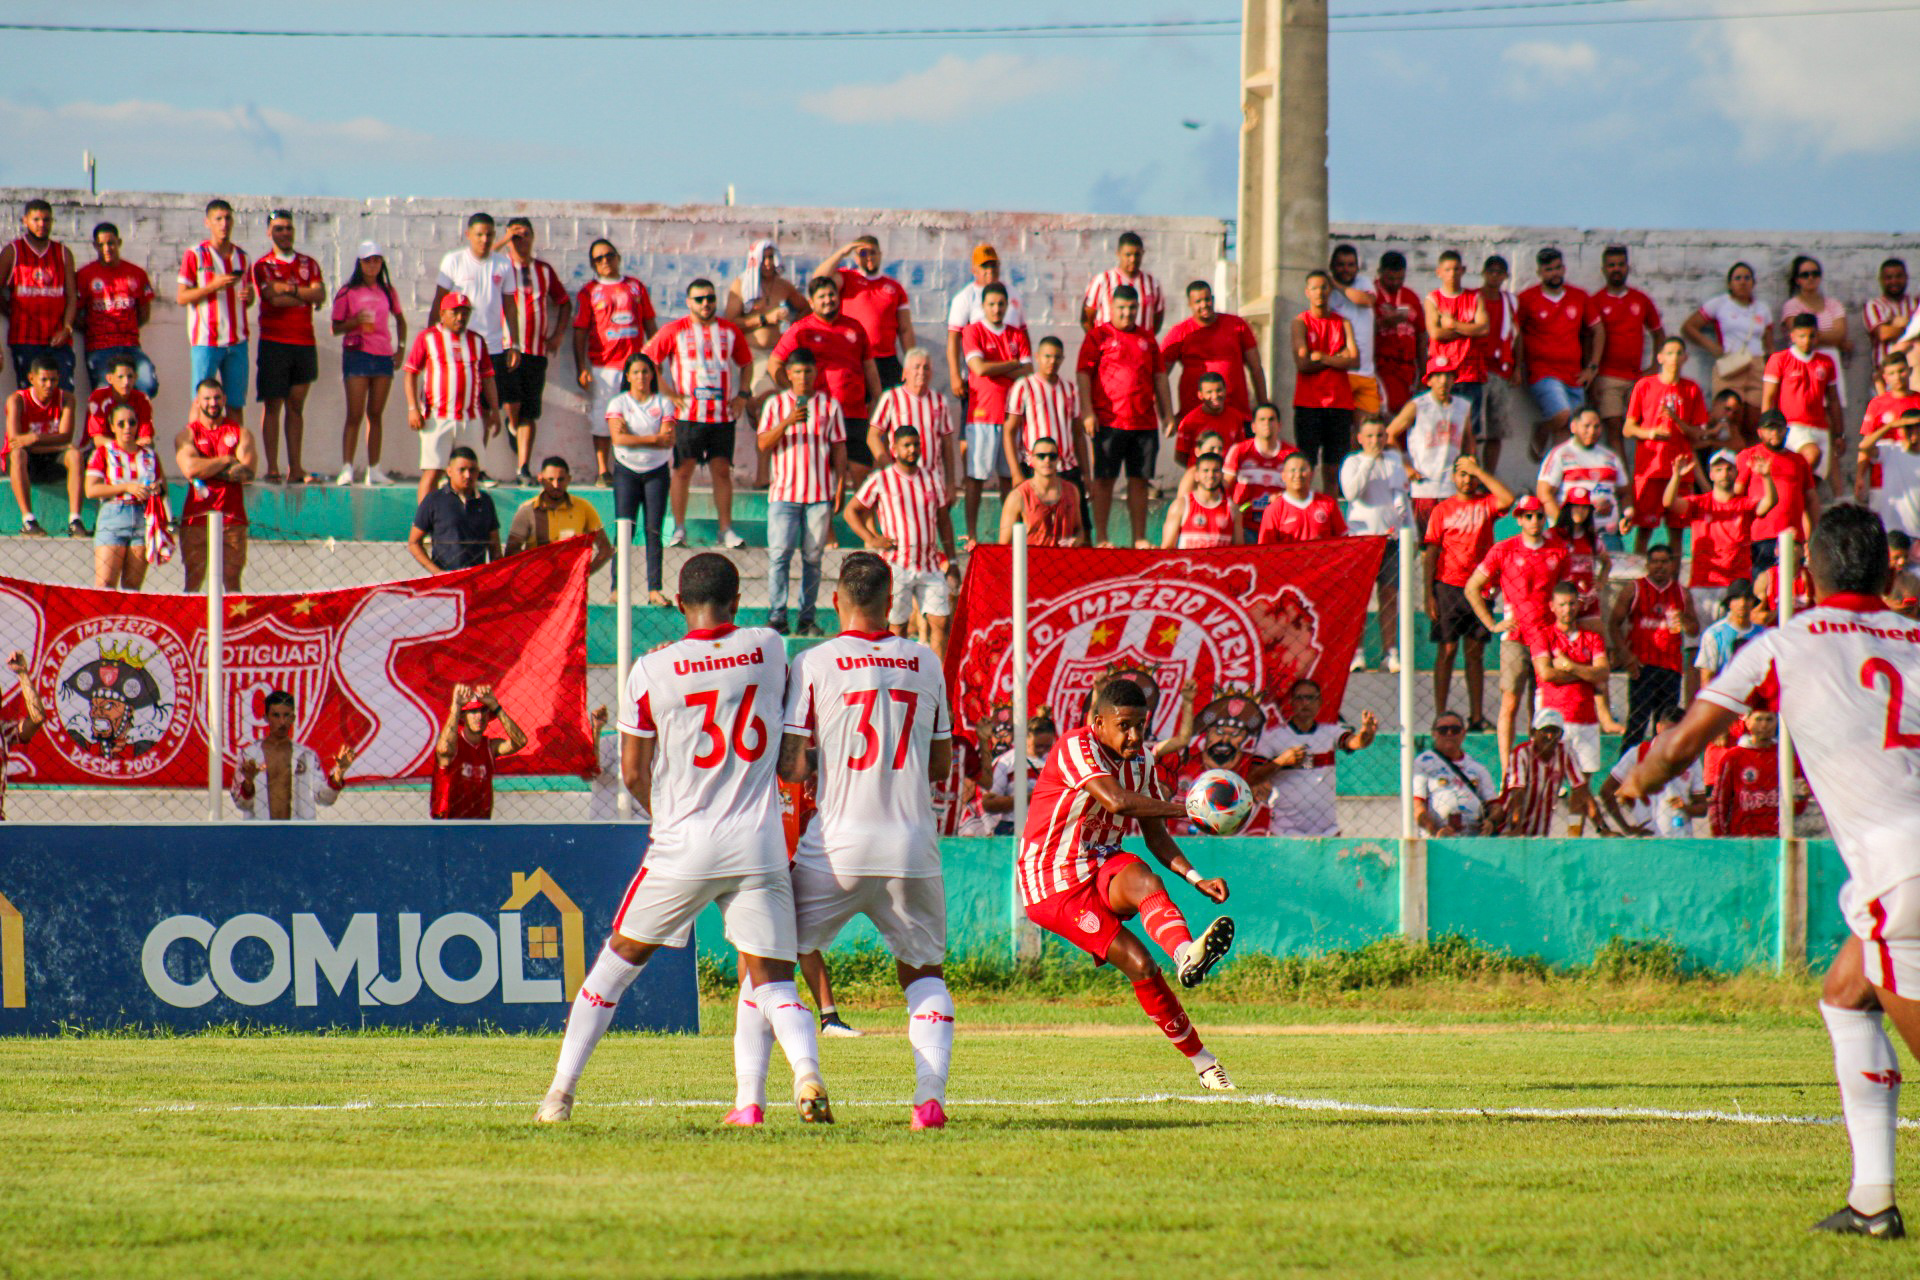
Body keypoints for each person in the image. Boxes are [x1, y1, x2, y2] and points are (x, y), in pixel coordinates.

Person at [1621, 505, 1920, 1237]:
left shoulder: (1783, 644)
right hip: (1903, 867)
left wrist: (1632, 783)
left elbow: (1684, 745)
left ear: (1808, 570)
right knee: (1847, 993)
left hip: (1902, 870)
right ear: (1889, 568)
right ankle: (1873, 1202)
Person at [538, 554, 831, 1126]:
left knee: (615, 967)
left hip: (685, 840)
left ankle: (559, 1094)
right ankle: (806, 1072)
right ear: (737, 601)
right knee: (772, 978)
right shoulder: (769, 646)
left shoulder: (652, 669)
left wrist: (665, 816)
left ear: (677, 605)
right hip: (757, 840)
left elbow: (631, 770)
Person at [774, 552, 953, 1124]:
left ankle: (802, 1077)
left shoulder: (814, 661)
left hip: (837, 845)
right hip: (912, 845)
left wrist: (832, 751)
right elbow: (943, 764)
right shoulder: (926, 660)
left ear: (835, 601)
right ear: (891, 598)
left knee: (772, 962)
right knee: (924, 975)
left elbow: (793, 767)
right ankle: (929, 1098)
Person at [1018, 676, 1237, 1090]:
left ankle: (1186, 954)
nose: (1135, 735)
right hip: (1052, 882)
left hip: (1101, 865)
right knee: (1139, 964)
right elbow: (1116, 801)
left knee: (1141, 875)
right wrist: (1190, 808)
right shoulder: (1074, 747)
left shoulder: (1143, 763)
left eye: (1141, 725)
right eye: (1125, 725)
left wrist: (1195, 878)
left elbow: (1155, 835)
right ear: (1098, 722)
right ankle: (1202, 1058)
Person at [1466, 494, 1570, 779]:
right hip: (1515, 635)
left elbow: (1567, 594)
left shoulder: (1558, 551)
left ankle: (1541, 767)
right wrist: (1491, 623)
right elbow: (1472, 586)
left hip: (1547, 636)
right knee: (1510, 701)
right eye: (1528, 515)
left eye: (1539, 515)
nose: (1534, 520)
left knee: (1542, 707)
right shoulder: (1504, 549)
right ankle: (1508, 771)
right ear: (1519, 519)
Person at [647, 278, 751, 550]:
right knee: (682, 471)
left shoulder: (730, 331)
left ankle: (725, 529)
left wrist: (742, 395)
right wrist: (668, 393)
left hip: (721, 416)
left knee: (722, 471)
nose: (706, 303)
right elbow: (649, 360)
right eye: (700, 299)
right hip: (688, 416)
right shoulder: (675, 330)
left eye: (710, 298)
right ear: (689, 302)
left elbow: (746, 363)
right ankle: (678, 528)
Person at [844, 424, 958, 657]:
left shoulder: (932, 478)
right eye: (906, 445)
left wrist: (953, 560)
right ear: (894, 448)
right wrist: (872, 538)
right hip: (897, 565)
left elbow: (944, 521)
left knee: (942, 624)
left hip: (930, 564)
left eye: (916, 444)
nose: (912, 449)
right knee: (898, 628)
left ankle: (936, 681)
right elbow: (851, 511)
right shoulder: (882, 479)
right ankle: (900, 681)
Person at [1665, 450, 1776, 681]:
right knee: (1697, 650)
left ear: (1736, 472)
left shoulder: (1743, 504)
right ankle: (1695, 706)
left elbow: (1768, 503)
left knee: (1735, 645)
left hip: (1735, 588)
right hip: (1702, 584)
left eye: (1728, 468)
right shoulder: (1699, 503)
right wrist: (1676, 476)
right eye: (1718, 469)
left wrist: (1766, 477)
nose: (1724, 473)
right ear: (1710, 474)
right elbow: (1669, 503)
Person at [759, 349, 846, 636]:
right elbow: (763, 444)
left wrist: (841, 484)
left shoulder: (830, 406)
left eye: (808, 371)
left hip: (818, 495)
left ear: (815, 373)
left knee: (813, 559)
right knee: (779, 557)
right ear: (789, 374)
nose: (803, 377)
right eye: (797, 372)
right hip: (784, 495)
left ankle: (807, 618)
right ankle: (777, 616)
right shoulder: (775, 404)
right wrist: (787, 422)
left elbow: (838, 447)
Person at [1425, 455, 1514, 729]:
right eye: (1462, 474)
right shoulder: (1442, 509)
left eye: (1471, 474)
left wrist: (1480, 470)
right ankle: (1441, 714)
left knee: (1474, 653)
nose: (1467, 479)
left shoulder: (1485, 504)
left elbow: (1508, 499)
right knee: (1448, 650)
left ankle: (1476, 716)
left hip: (1480, 586)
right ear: (1453, 477)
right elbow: (1431, 551)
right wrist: (1428, 592)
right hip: (1448, 585)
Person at [769, 275, 882, 491]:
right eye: (822, 297)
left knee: (862, 473)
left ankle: (861, 523)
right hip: (820, 414)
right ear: (811, 302)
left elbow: (869, 366)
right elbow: (774, 363)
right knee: (822, 477)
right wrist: (793, 393)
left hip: (854, 413)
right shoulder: (801, 330)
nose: (828, 300)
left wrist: (878, 399)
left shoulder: (854, 327)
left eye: (831, 295)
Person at [1078, 285, 1170, 547]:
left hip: (1144, 421)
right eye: (1122, 308)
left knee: (1140, 480)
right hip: (1108, 420)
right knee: (1105, 479)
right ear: (1111, 307)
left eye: (1132, 308)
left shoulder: (1147, 339)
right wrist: (1087, 412)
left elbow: (1160, 377)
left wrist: (1167, 414)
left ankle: (1139, 538)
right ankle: (1103, 537)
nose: (1127, 313)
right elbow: (1083, 374)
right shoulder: (1098, 336)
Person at [431, 214, 520, 477]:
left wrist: (514, 343)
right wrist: (432, 338)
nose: (485, 239)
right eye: (480, 234)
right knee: (455, 407)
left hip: (491, 348)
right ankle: (449, 469)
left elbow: (510, 307)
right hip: (457, 347)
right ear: (468, 234)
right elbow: (439, 301)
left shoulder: (504, 265)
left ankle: (475, 468)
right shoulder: (453, 260)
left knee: (484, 411)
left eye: (490, 234)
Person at [490, 218, 570, 485]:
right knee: (512, 401)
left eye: (525, 235)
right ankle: (512, 425)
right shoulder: (499, 266)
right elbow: (479, 261)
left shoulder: (544, 271)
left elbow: (564, 302)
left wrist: (557, 334)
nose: (521, 240)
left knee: (530, 411)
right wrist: (504, 241)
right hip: (507, 348)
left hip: (536, 351)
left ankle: (522, 466)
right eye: (516, 236)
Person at [572, 239, 655, 488]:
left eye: (609, 255)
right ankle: (602, 470)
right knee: (603, 416)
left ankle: (634, 468)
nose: (605, 261)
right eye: (599, 258)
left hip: (635, 365)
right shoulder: (589, 291)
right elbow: (580, 331)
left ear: (617, 257)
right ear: (593, 264)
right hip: (604, 365)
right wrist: (581, 368)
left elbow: (649, 321)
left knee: (638, 416)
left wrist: (655, 357)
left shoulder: (635, 287)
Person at [404, 292, 501, 504]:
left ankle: (465, 524)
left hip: (470, 418)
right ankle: (424, 527)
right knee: (433, 472)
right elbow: (411, 372)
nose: (460, 317)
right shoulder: (428, 337)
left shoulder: (477, 341)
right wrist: (413, 409)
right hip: (436, 417)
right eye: (455, 312)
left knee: (469, 474)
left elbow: (488, 378)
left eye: (465, 312)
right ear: (442, 314)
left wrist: (494, 410)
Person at [250, 209, 324, 483]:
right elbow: (272, 299)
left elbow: (320, 294)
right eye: (279, 228)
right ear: (269, 232)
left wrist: (289, 290)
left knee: (296, 406)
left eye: (288, 228)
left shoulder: (309, 263)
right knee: (273, 405)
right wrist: (303, 296)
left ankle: (296, 468)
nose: (285, 233)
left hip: (304, 342)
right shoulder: (263, 266)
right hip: (274, 342)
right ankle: (272, 468)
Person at [602, 353, 676, 605]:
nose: (641, 377)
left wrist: (635, 438)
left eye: (646, 371)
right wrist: (653, 439)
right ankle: (616, 588)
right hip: (626, 471)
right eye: (636, 372)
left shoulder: (664, 403)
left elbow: (668, 438)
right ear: (627, 376)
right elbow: (618, 439)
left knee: (653, 531)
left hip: (657, 471)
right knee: (624, 529)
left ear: (652, 375)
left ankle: (654, 589)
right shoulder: (618, 403)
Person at [958, 283, 1032, 537]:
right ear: (983, 306)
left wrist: (996, 366)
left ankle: (1006, 535)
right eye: (992, 304)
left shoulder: (1017, 335)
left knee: (1009, 478)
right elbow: (978, 369)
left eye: (1001, 304)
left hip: (1012, 417)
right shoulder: (973, 331)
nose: (997, 308)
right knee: (975, 479)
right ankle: (971, 532)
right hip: (981, 416)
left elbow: (1028, 371)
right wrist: (1012, 365)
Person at [1262, 678, 1378, 837]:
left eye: (1310, 698)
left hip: (1327, 832)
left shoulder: (1330, 732)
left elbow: (1355, 742)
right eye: (1299, 698)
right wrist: (1281, 762)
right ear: (1291, 702)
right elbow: (1252, 777)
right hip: (1283, 831)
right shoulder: (1273, 736)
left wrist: (1366, 734)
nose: (1305, 703)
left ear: (1320, 702)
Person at [329, 241, 404, 487]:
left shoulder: (387, 291)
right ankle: (347, 468)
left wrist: (401, 349)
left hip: (382, 356)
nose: (372, 265)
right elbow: (335, 327)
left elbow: (400, 319)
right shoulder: (348, 291)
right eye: (367, 261)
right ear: (359, 264)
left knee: (376, 414)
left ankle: (374, 468)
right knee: (355, 413)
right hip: (358, 354)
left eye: (376, 260)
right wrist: (354, 322)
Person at [1531, 581, 1625, 777]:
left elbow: (1603, 673)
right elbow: (1546, 674)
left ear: (1579, 605)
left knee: (1583, 786)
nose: (1568, 609)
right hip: (1553, 722)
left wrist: (1570, 666)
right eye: (1562, 604)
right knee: (1549, 782)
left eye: (1572, 604)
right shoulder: (1543, 636)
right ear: (1552, 606)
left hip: (1586, 719)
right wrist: (1586, 674)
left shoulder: (1592, 638)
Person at [1608, 542, 1696, 749]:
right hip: (1642, 665)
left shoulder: (1682, 593)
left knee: (1667, 725)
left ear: (1672, 565)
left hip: (1671, 667)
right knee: (1637, 724)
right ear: (1647, 564)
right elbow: (1613, 623)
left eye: (1664, 562)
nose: (1660, 566)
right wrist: (1625, 655)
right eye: (1655, 562)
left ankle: (1662, 775)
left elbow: (1694, 629)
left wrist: (1683, 620)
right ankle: (1625, 773)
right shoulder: (1634, 588)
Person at [1339, 415, 1410, 671]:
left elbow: (1401, 498)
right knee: (1359, 599)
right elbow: (1351, 493)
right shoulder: (1352, 462)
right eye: (1369, 436)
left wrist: (1408, 532)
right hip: (1360, 541)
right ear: (1359, 438)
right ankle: (1356, 653)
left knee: (1390, 597)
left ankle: (1389, 653)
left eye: (1380, 435)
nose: (1375, 441)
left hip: (1390, 540)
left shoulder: (1393, 461)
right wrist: (1369, 460)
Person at [1624, 336, 1708, 553]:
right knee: (1644, 531)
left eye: (1679, 353)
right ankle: (1640, 583)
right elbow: (1628, 428)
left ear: (1685, 358)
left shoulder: (1691, 389)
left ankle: (1674, 584)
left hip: (1680, 470)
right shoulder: (1644, 385)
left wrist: (1677, 421)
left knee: (1677, 533)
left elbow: (1698, 434)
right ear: (1660, 357)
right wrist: (1650, 433)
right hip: (1650, 470)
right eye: (1669, 352)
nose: (1675, 357)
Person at [174, 379, 256, 591]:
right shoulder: (187, 435)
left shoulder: (241, 433)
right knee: (193, 581)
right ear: (197, 402)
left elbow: (246, 473)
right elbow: (190, 469)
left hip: (232, 517)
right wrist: (227, 460)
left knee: (232, 582)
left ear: (224, 399)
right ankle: (191, 625)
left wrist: (206, 467)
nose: (213, 403)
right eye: (207, 398)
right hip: (196, 518)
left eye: (217, 398)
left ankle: (232, 625)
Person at [175, 198, 253, 419]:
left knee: (236, 405)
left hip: (237, 341)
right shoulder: (196, 254)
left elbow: (248, 298)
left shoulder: (243, 257)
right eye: (218, 219)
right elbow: (182, 297)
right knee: (200, 403)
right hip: (206, 341)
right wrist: (212, 286)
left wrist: (250, 296)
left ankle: (235, 452)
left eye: (228, 218)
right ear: (207, 222)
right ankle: (195, 451)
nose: (224, 223)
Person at [1583, 245, 1664, 454]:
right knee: (1613, 428)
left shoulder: (1640, 299)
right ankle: (1624, 485)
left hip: (1637, 377)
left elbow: (1658, 333)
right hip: (1607, 377)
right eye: (1611, 265)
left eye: (1620, 264)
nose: (1616, 269)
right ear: (1603, 269)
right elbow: (1587, 339)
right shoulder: (1596, 300)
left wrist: (1655, 366)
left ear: (1628, 267)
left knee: (1645, 428)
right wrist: (1591, 374)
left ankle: (1641, 479)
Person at [230, 689, 353, 821]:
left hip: (299, 834)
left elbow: (324, 798)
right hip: (261, 833)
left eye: (286, 715)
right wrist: (248, 782)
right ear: (266, 718)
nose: (282, 722)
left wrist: (339, 773)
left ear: (293, 718)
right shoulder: (249, 755)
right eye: (276, 715)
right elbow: (241, 803)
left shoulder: (307, 756)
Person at [1682, 262, 1772, 440]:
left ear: (1753, 282)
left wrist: (1771, 369)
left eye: (1747, 277)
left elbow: (1769, 344)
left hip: (1757, 366)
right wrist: (1712, 347)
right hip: (1731, 364)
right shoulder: (1720, 303)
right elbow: (1689, 327)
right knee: (1728, 419)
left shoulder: (1762, 308)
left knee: (1755, 420)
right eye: (1737, 278)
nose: (1742, 282)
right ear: (1729, 283)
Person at [84, 403, 168, 589]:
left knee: (132, 589)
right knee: (105, 585)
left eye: (131, 422)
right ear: (112, 427)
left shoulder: (150, 456)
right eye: (121, 423)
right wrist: (126, 487)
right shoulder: (104, 453)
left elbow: (163, 490)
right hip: (114, 514)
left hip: (142, 516)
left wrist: (155, 489)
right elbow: (91, 490)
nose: (127, 428)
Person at [1517, 246, 1589, 460]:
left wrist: (1592, 367)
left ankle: (1560, 480)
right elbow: (1516, 334)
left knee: (1568, 432)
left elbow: (1597, 330)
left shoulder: (1579, 296)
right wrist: (1517, 367)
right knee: (1562, 416)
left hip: (1574, 374)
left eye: (1558, 268)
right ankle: (1542, 428)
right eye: (1549, 269)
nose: (1554, 273)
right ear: (1540, 273)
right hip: (1543, 372)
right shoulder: (1527, 298)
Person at [1292, 270, 1359, 493]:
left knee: (1334, 468)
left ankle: (1332, 514)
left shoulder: (1343, 322)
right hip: (1309, 404)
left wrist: (1322, 357)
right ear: (1306, 292)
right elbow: (1303, 364)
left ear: (1330, 290)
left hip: (1339, 404)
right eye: (1314, 287)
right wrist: (1337, 359)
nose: (1320, 292)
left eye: (1324, 287)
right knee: (1307, 465)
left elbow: (1355, 360)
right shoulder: (1301, 322)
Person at [2, 199, 77, 394]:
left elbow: (71, 298)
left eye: (46, 220)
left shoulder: (63, 254)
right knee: (30, 398)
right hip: (25, 339)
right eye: (36, 219)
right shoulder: (13, 251)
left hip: (57, 340)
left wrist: (67, 329)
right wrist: (7, 308)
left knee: (63, 395)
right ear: (25, 221)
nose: (41, 224)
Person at [1162, 279, 1266, 418]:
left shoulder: (1237, 325)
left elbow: (1256, 368)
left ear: (1213, 299)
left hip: (1236, 413)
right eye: (1198, 302)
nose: (1204, 305)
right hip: (1195, 416)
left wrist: (1264, 406)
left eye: (1207, 299)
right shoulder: (1180, 332)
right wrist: (1166, 415)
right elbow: (1160, 375)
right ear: (1190, 304)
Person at [74, 220, 156, 395]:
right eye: (101, 244)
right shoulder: (84, 275)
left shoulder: (136, 273)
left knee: (147, 386)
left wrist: (126, 329)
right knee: (105, 393)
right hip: (100, 347)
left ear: (119, 242)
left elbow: (144, 313)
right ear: (95, 246)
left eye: (111, 243)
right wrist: (95, 330)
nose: (107, 248)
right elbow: (74, 314)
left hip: (130, 346)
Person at [1387, 365, 1472, 531]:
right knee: (1424, 542)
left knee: (1451, 540)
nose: (1443, 381)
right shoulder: (1418, 406)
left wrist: (1469, 467)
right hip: (1424, 487)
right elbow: (1390, 434)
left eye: (1448, 376)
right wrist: (1405, 467)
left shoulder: (1462, 406)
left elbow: (1468, 438)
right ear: (1429, 380)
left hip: (1452, 487)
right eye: (1438, 376)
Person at [4, 355, 82, 535]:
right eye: (44, 380)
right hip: (26, 461)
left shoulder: (66, 399)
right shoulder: (17, 400)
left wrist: (34, 438)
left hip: (51, 459)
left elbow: (66, 436)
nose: (49, 385)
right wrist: (51, 442)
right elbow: (16, 441)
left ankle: (75, 520)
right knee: (17, 454)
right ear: (31, 378)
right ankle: (29, 521)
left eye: (53, 380)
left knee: (75, 455)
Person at [822, 236, 913, 388]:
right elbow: (819, 279)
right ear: (856, 258)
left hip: (886, 360)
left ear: (880, 254)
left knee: (891, 408)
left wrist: (912, 361)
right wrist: (842, 253)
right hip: (854, 358)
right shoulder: (847, 278)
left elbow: (905, 330)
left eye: (872, 252)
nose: (869, 257)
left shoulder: (894, 287)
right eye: (863, 253)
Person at [1763, 313, 1845, 483]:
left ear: (1818, 336)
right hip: (1792, 427)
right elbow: (1768, 397)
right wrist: (1766, 429)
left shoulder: (1826, 362)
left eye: (1811, 336)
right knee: (1811, 456)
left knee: (1813, 483)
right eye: (1802, 336)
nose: (1807, 341)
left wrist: (1839, 434)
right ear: (1792, 336)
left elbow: (1834, 400)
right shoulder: (1780, 359)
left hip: (1820, 427)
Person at [1599, 708, 1704, 838]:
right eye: (1668, 732)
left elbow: (1702, 807)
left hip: (1681, 839)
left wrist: (1685, 808)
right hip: (1648, 838)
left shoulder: (1691, 759)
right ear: (1658, 728)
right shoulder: (1638, 753)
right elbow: (1606, 790)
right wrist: (1626, 828)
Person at [1737, 409, 1818, 574]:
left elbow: (1811, 500)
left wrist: (1813, 537)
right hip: (1759, 537)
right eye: (1769, 429)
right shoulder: (1749, 456)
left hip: (1792, 537)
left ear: (1786, 431)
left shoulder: (1798, 460)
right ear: (1760, 432)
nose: (1774, 433)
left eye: (1779, 428)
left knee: (1791, 589)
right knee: (1761, 588)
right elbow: (1737, 494)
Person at [944, 242, 1026, 403]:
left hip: (1013, 380)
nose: (990, 270)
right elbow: (954, 339)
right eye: (984, 266)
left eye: (993, 265)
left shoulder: (1013, 293)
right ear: (974, 269)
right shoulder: (965, 297)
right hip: (979, 381)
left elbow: (1023, 332)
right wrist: (955, 376)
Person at [1499, 708, 1601, 837]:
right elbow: (1518, 793)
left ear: (1561, 734)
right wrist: (1516, 828)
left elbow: (1582, 790)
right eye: (1545, 731)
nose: (1550, 736)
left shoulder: (1564, 752)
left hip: (1541, 833)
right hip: (1509, 829)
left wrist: (1602, 828)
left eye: (1555, 731)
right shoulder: (1522, 753)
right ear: (1533, 733)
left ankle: (1574, 836)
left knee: (1578, 799)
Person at [431, 683, 526, 821]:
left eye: (483, 711)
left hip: (481, 826)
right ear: (463, 716)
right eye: (473, 712)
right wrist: (456, 707)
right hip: (448, 825)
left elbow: (521, 741)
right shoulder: (454, 744)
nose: (479, 716)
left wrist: (497, 708)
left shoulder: (490, 747)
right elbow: (444, 749)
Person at [1705, 709, 1807, 837]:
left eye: (1769, 719)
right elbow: (1720, 801)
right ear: (1747, 723)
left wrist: (1801, 797)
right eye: (1758, 719)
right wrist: (1720, 835)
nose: (1764, 725)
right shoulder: (1734, 757)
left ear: (1777, 722)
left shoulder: (1786, 757)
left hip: (1777, 834)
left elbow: (1797, 807)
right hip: (1743, 836)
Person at [506, 455, 613, 573]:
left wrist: (582, 575)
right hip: (536, 582)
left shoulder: (583, 507)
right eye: (550, 479)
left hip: (570, 585)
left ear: (569, 479)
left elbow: (606, 550)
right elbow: (511, 552)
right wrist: (537, 565)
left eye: (561, 479)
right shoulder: (527, 510)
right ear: (540, 479)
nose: (556, 485)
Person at [1536, 406, 1629, 542]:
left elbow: (1625, 492)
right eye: (1586, 426)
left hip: (1607, 534)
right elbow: (1544, 494)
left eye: (1597, 426)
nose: (1592, 431)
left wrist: (1627, 515)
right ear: (1573, 427)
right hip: (1570, 536)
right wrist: (1564, 525)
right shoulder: (1560, 454)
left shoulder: (1610, 457)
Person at [1423, 250, 1488, 434]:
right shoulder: (1433, 299)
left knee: (1470, 430)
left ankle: (1469, 463)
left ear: (1463, 270)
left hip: (1471, 373)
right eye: (1448, 269)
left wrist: (1453, 325)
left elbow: (1484, 329)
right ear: (1439, 272)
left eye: (1456, 269)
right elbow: (1435, 333)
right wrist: (1469, 329)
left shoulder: (1475, 298)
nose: (1452, 274)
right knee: (1443, 428)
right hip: (1444, 374)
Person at [1780, 254, 1853, 418]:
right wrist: (1831, 338)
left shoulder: (1833, 304)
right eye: (1805, 275)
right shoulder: (1792, 305)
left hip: (1830, 361)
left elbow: (1840, 333)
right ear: (1797, 279)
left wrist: (1817, 336)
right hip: (1804, 363)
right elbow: (1798, 335)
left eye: (1815, 273)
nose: (1810, 278)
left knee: (1833, 411)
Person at [408, 447, 499, 574]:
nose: (468, 475)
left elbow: (495, 545)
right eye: (462, 470)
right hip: (446, 581)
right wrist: (437, 573)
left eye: (472, 470)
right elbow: (414, 542)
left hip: (477, 580)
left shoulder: (485, 501)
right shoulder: (434, 500)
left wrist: (494, 574)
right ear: (449, 471)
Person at [1411, 711, 1501, 836]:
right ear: (1434, 734)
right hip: (1437, 838)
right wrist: (1435, 831)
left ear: (1463, 733)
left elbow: (1494, 805)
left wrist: (1491, 822)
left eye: (1455, 729)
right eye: (1443, 730)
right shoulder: (1423, 763)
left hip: (1474, 838)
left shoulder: (1477, 767)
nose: (1449, 733)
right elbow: (1416, 805)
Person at [1474, 255, 1523, 476]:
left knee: (1496, 430)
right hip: (1474, 371)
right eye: (1491, 271)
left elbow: (1518, 336)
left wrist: (1517, 368)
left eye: (1499, 272)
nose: (1495, 276)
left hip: (1500, 371)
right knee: (1473, 429)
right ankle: (1472, 474)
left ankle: (1489, 477)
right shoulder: (1473, 298)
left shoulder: (1510, 301)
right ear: (1484, 273)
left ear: (1505, 276)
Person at [1222, 402, 1296, 540]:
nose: (1267, 423)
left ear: (1279, 425)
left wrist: (1284, 498)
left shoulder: (1292, 455)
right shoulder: (1239, 451)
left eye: (1271, 419)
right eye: (1262, 419)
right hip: (1245, 526)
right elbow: (1225, 487)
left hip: (1280, 527)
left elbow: (1300, 491)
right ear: (1253, 426)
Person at [998, 435, 1083, 548]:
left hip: (1063, 560)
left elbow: (1079, 529)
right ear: (1032, 459)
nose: (1047, 460)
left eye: (1052, 456)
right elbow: (1003, 544)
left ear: (1058, 459)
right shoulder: (1018, 496)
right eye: (1041, 456)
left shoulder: (1072, 491)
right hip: (1030, 561)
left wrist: (1076, 540)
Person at [981, 714, 1057, 836]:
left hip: (1048, 826)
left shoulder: (1056, 760)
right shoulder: (1006, 761)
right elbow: (989, 803)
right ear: (1026, 738)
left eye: (1047, 746)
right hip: (1012, 825)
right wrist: (1030, 797)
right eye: (1038, 746)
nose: (1043, 750)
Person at [1327, 244, 1380, 417]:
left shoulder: (1363, 282)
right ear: (1332, 266)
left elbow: (1366, 300)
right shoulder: (1326, 293)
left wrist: (1336, 285)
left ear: (1357, 267)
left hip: (1365, 372)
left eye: (1351, 265)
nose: (1346, 269)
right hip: (1340, 373)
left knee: (1368, 430)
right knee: (1342, 432)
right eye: (1341, 264)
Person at [1372, 250, 1425, 414]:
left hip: (1407, 370)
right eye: (1390, 279)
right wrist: (1384, 322)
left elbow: (1421, 335)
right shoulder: (1371, 293)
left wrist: (1423, 373)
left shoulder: (1411, 297)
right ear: (1380, 272)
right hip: (1381, 366)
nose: (1395, 283)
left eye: (1400, 279)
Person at [1550, 487, 1610, 629]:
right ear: (1567, 509)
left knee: (1595, 639)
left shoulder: (1592, 539)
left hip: (1587, 601)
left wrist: (1601, 581)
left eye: (1584, 507)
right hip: (1563, 602)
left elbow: (1607, 563)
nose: (1580, 511)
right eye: (1575, 506)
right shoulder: (1553, 536)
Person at [1082, 231, 1164, 334]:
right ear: (1118, 254)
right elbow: (1087, 319)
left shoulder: (1153, 284)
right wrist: (1099, 343)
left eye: (1137, 254)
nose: (1133, 259)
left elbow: (1158, 318)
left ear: (1143, 253)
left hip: (1139, 347)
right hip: (1109, 347)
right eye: (1128, 255)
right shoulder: (1102, 281)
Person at [1257, 452, 1347, 544]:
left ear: (1311, 474)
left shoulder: (1328, 504)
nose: (1298, 475)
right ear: (1283, 476)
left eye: (1303, 470)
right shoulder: (1274, 510)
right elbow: (1265, 550)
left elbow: (1343, 541)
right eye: (1293, 470)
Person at [1858, 406, 1920, 538]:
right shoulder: (1890, 449)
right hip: (1893, 531)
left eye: (1917, 427)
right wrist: (1890, 425)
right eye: (1908, 427)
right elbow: (1864, 446)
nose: (1914, 433)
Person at [1160, 449, 1240, 550]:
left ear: (1222, 475)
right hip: (1189, 565)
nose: (1210, 475)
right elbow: (1167, 548)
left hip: (1219, 565)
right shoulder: (1181, 505)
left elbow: (1239, 552)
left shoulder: (1233, 509)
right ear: (1196, 475)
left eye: (1215, 471)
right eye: (1205, 471)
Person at [1170, 371, 1249, 469]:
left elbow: (1241, 449)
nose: (1215, 396)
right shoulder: (1189, 421)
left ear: (1226, 390)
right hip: (1200, 478)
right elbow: (1180, 456)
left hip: (1229, 474)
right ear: (1200, 395)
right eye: (1209, 392)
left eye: (1219, 390)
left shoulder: (1236, 417)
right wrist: (1199, 471)